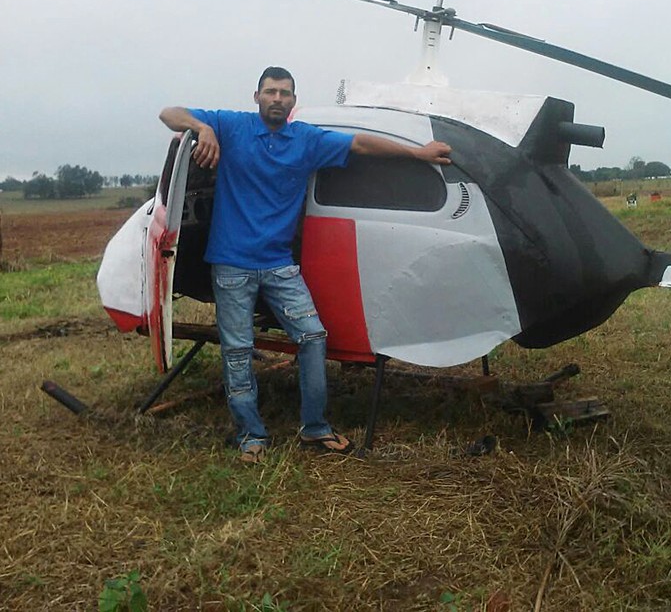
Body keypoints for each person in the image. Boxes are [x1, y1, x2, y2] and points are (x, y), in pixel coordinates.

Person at [160, 66, 452, 463]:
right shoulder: (231, 126)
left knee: (313, 337)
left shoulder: (306, 140)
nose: (277, 98)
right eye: (270, 92)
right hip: (231, 265)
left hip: (280, 265)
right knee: (238, 350)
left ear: (293, 101)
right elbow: (168, 113)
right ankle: (251, 435)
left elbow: (362, 146)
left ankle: (314, 427)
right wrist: (202, 128)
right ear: (257, 96)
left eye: (284, 93)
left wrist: (417, 154)